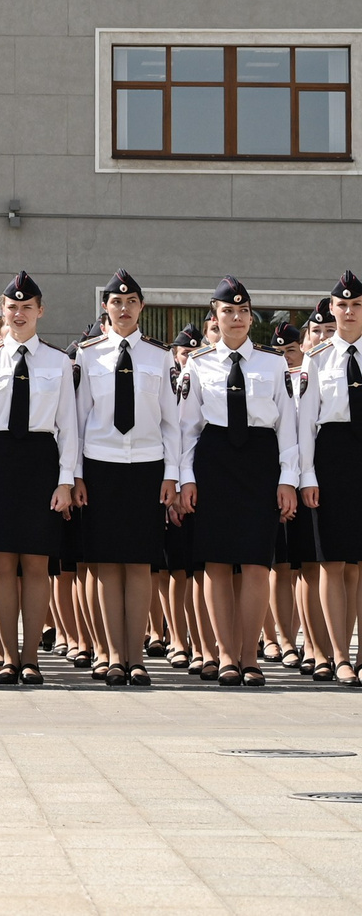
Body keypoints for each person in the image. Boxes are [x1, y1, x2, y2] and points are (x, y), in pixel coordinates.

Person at [177, 275, 302, 686]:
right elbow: (188, 429)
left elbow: (288, 428)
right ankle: (225, 654)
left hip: (260, 463)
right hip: (214, 463)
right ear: (215, 315)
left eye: (243, 311)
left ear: (252, 318)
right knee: (215, 562)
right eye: (227, 311)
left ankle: (251, 656)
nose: (235, 318)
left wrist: (288, 480)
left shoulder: (272, 363)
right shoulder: (198, 364)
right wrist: (186, 478)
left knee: (255, 562)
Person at [0, 273, 80, 686]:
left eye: (28, 307)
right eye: (13, 307)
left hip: (40, 463)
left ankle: (31, 656)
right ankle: (5, 655)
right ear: (3, 311)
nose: (20, 313)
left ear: (40, 311)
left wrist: (66, 481)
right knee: (1, 564)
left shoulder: (57, 361)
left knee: (36, 563)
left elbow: (69, 427)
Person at [74, 270, 179, 687]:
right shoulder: (88, 355)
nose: (123, 308)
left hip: (147, 466)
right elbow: (77, 421)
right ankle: (113, 654)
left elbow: (172, 422)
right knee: (105, 566)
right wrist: (77, 475)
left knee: (139, 565)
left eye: (131, 301)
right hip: (101, 465)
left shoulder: (160, 356)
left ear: (141, 307)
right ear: (106, 308)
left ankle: (136, 656)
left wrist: (172, 474)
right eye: (116, 302)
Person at [302, 272, 362, 687]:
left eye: (357, 305)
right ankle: (340, 655)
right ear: (332, 307)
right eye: (343, 305)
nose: (349, 311)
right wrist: (306, 476)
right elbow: (305, 423)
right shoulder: (318, 358)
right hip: (334, 457)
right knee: (333, 561)